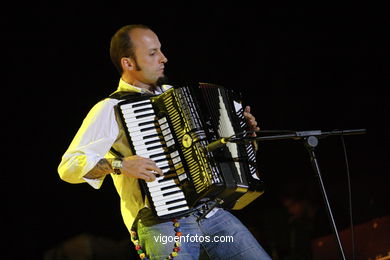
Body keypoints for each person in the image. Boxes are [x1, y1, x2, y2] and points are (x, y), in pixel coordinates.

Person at [58, 24, 271, 260]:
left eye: (160, 50)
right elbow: (68, 166)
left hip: (210, 213)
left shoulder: (181, 95)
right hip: (162, 223)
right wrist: (119, 165)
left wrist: (244, 136)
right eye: (152, 53)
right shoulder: (110, 109)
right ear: (128, 63)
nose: (163, 58)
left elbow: (220, 156)